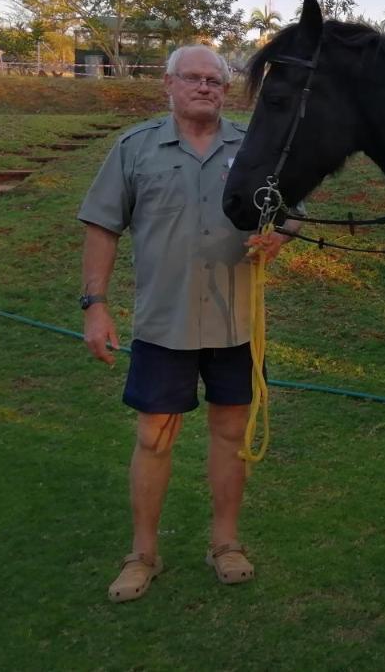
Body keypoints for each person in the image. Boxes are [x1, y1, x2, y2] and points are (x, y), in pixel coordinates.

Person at [78, 44, 294, 603]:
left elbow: (288, 209)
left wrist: (279, 237)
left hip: (236, 324)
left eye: (215, 81)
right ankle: (142, 553)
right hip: (164, 324)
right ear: (168, 85)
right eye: (193, 78)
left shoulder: (252, 149)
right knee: (154, 437)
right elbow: (102, 226)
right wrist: (95, 305)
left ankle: (226, 544)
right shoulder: (134, 149)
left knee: (230, 434)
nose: (205, 87)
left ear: (226, 89)